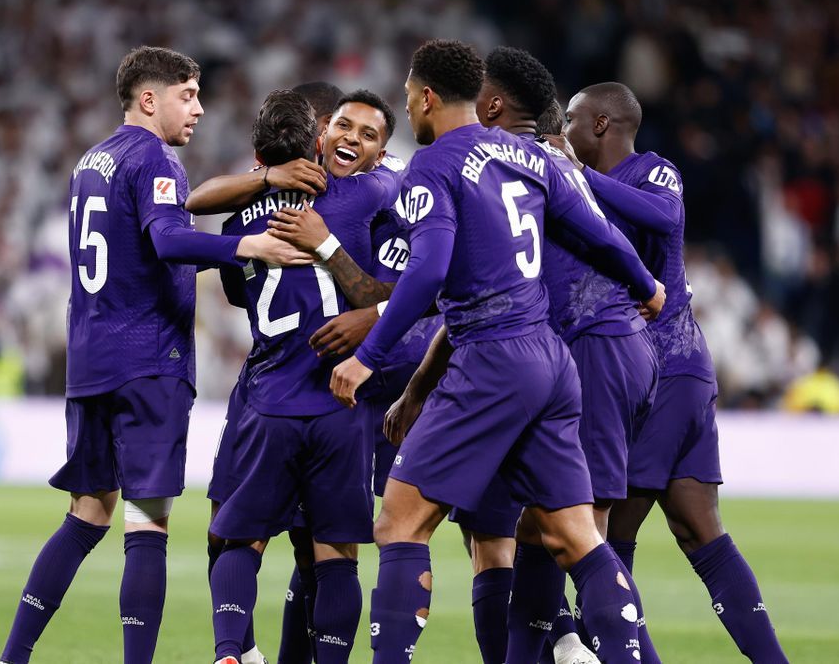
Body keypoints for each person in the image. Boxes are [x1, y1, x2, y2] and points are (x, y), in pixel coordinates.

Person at [328, 39, 664, 664]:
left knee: (399, 522)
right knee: (576, 536)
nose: (409, 106)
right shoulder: (533, 157)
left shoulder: (431, 168)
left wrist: (368, 355)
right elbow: (602, 236)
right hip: (552, 363)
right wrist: (649, 287)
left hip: (490, 357)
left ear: (427, 97)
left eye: (408, 95)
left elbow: (427, 274)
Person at [0, 46, 310, 664]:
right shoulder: (154, 159)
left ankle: (12, 658)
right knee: (147, 525)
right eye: (187, 95)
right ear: (149, 99)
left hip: (89, 360)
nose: (198, 108)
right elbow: (167, 241)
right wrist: (251, 245)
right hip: (148, 362)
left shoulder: (91, 161)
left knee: (86, 516)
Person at [555, 81, 790, 663]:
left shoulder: (652, 172)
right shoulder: (577, 194)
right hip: (664, 373)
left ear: (603, 125)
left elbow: (661, 215)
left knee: (604, 539)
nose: (564, 132)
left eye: (574, 120)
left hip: (659, 372)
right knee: (698, 530)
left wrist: (579, 178)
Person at [206, 88, 399, 664]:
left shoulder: (236, 220)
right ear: (318, 135)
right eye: (343, 127)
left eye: (367, 135)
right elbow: (406, 283)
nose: (352, 142)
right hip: (341, 401)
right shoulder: (359, 195)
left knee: (239, 538)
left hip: (270, 396)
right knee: (336, 552)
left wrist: (262, 184)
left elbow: (236, 292)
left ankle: (229, 653)